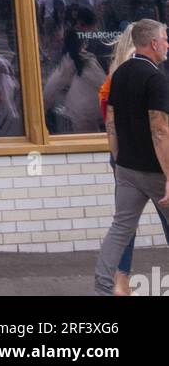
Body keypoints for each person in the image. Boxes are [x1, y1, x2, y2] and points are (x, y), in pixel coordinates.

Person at [94, 19, 169, 296]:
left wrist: (118, 160)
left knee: (120, 229)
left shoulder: (120, 73)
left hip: (126, 168)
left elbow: (110, 121)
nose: (167, 45)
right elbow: (160, 129)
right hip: (155, 172)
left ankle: (103, 288)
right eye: (165, 39)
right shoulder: (155, 78)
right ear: (153, 43)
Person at [43, 22, 105, 134]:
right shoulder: (88, 61)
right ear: (83, 44)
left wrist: (43, 107)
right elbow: (102, 83)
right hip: (94, 110)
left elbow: (52, 87)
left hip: (77, 112)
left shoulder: (68, 62)